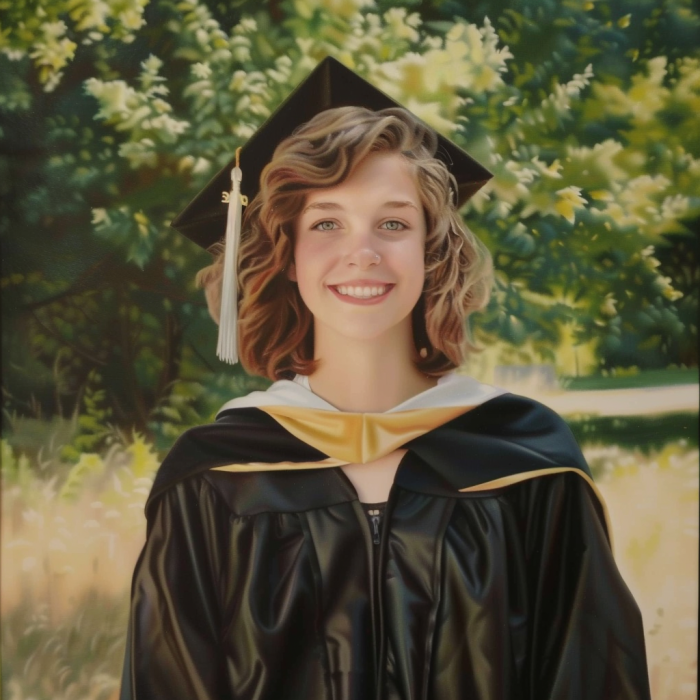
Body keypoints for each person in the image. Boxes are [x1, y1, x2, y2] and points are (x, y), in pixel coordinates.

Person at [120, 57, 651, 700]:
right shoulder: (213, 479)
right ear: (286, 254)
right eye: (326, 223)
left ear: (431, 250)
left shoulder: (526, 459)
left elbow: (592, 677)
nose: (362, 251)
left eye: (393, 223)